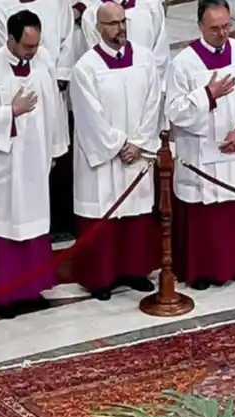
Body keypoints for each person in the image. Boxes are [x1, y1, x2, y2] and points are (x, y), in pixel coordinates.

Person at [0, 10, 67, 319]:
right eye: (26, 47)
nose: (32, 52)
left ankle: (30, 290)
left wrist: (54, 149)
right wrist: (11, 111)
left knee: (32, 228)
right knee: (3, 231)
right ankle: (2, 296)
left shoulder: (43, 63)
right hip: (1, 167)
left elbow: (53, 107)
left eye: (36, 46)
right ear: (10, 39)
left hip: (33, 161)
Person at [165, 0, 235, 291]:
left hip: (234, 150)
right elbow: (173, 111)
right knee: (205, 215)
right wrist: (207, 95)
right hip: (200, 154)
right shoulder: (183, 64)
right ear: (200, 26)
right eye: (215, 29)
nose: (223, 34)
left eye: (227, 26)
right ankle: (202, 270)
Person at [69, 2, 160, 300]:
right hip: (105, 159)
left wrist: (140, 142)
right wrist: (121, 144)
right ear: (98, 29)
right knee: (104, 215)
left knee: (135, 214)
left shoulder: (145, 60)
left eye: (123, 22)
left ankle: (135, 271)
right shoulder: (85, 68)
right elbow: (88, 116)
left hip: (135, 153)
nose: (120, 28)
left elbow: (152, 104)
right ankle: (101, 278)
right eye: (112, 24)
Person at [79, 0, 168, 84]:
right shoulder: (92, 14)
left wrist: (154, 84)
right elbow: (96, 61)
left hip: (149, 84)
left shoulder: (150, 4)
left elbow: (160, 51)